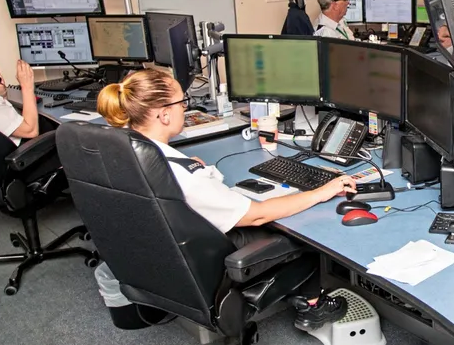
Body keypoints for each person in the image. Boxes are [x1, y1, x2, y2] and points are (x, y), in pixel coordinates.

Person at [95, 69, 353, 329]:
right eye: (182, 103)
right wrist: (322, 191)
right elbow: (258, 215)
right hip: (203, 259)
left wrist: (188, 165)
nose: (185, 108)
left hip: (157, 251)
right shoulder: (185, 176)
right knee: (299, 233)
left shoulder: (123, 150)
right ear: (164, 114)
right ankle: (313, 306)